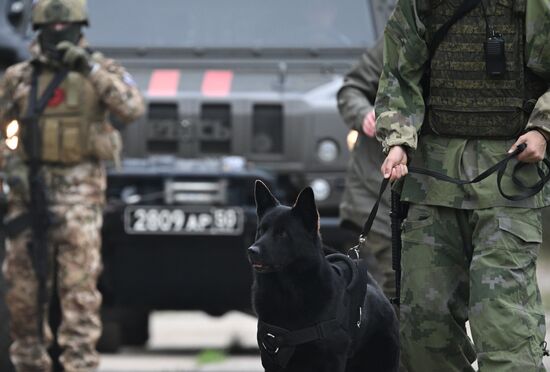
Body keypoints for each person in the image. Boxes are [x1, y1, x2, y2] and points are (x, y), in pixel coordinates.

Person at [375, 0, 550, 370]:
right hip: (432, 179)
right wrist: (399, 140)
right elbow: (398, 74)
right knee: (424, 328)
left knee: (505, 327)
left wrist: (542, 128)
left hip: (509, 177)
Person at [0, 0, 144, 370]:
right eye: (53, 28)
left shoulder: (103, 71)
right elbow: (3, 130)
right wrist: (10, 165)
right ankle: (29, 362)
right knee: (23, 293)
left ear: (82, 28)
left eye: (69, 27)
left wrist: (89, 69)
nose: (60, 34)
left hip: (80, 196)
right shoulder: (19, 77)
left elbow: (131, 107)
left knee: (79, 293)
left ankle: (79, 364)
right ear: (38, 30)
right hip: (27, 196)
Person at [337, 38, 396, 298]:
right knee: (393, 281)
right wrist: (363, 114)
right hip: (377, 187)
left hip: (440, 185)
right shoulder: (404, 30)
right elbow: (352, 89)